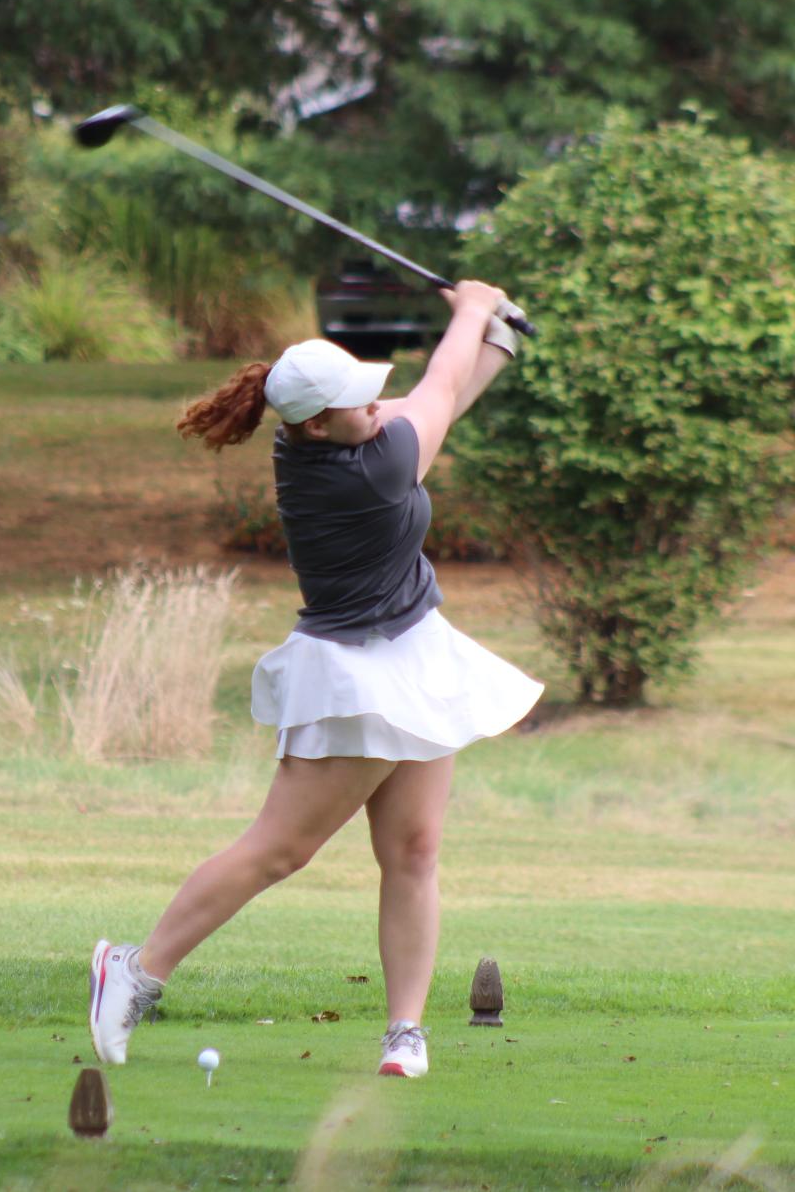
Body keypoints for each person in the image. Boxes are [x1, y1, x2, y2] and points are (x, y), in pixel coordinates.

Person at [88, 280, 543, 1079]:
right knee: (280, 850)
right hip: (353, 673)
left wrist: (496, 342)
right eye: (358, 404)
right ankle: (135, 970)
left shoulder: (333, 438)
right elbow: (434, 393)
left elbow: (431, 400)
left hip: (414, 652)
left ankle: (404, 1032)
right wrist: (471, 310)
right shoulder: (367, 472)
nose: (375, 405)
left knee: (413, 848)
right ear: (315, 424)